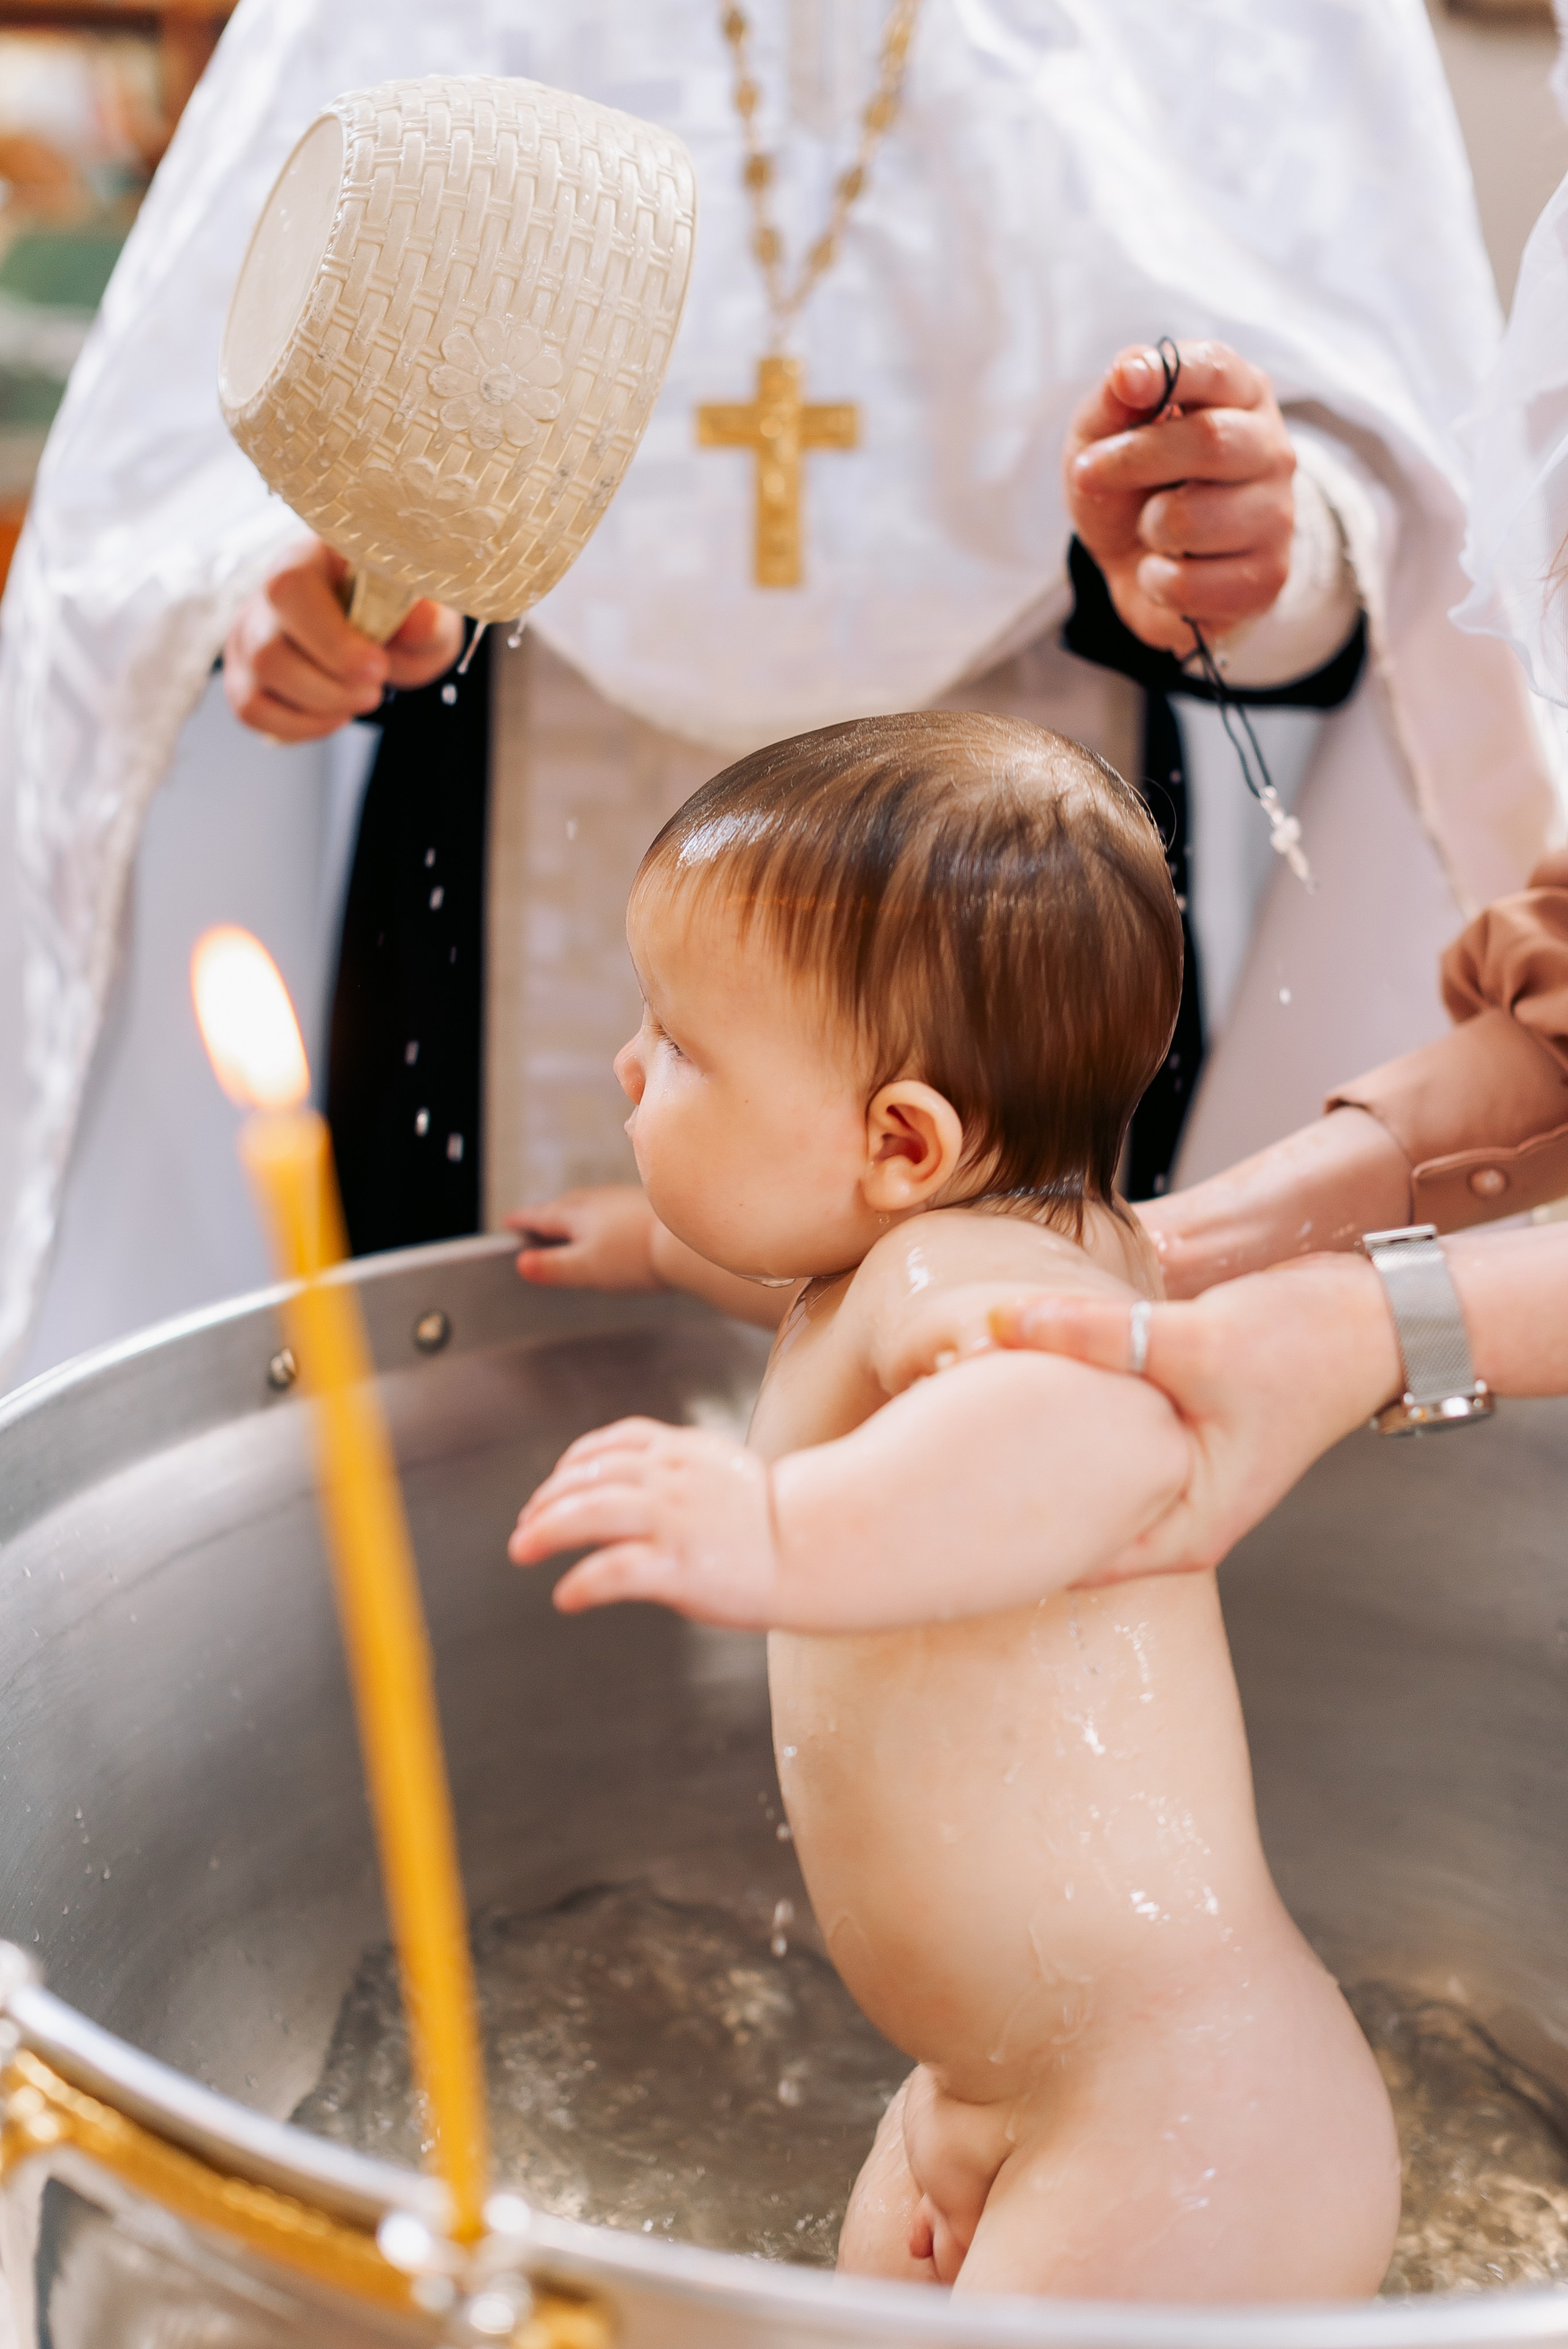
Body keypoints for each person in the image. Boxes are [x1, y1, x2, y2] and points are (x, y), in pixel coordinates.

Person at [2, 0, 1558, 1389]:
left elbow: (1409, 500)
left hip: (1023, 850)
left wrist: (1242, 558)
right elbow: (190, 448)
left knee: (1018, 1420)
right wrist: (286, 585)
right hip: (506, 800)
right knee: (482, 1491)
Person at [508, 709, 1400, 2299]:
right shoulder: (955, 1246)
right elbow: (812, 1281)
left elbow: (1091, 1433)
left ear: (902, 1140)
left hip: (1179, 2122)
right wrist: (657, 1247)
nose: (630, 1067)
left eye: (683, 1047)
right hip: (1024, 2085)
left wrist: (780, 1531)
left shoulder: (979, 1289)